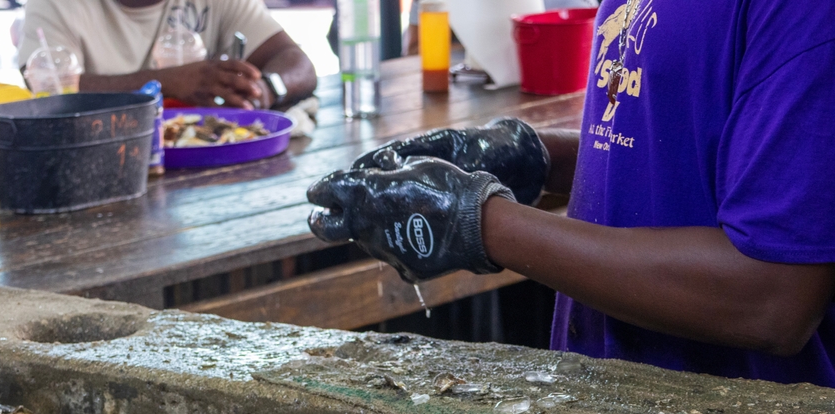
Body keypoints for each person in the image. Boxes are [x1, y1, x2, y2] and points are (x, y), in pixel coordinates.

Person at [307, 0, 835, 387]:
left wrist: (481, 224)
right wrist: (539, 158)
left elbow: (772, 296)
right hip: (607, 404)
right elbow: (683, 145)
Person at [17, 0, 317, 110]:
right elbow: (51, 95)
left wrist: (264, 88)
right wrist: (164, 83)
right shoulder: (51, 5)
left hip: (210, 176)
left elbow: (297, 62)